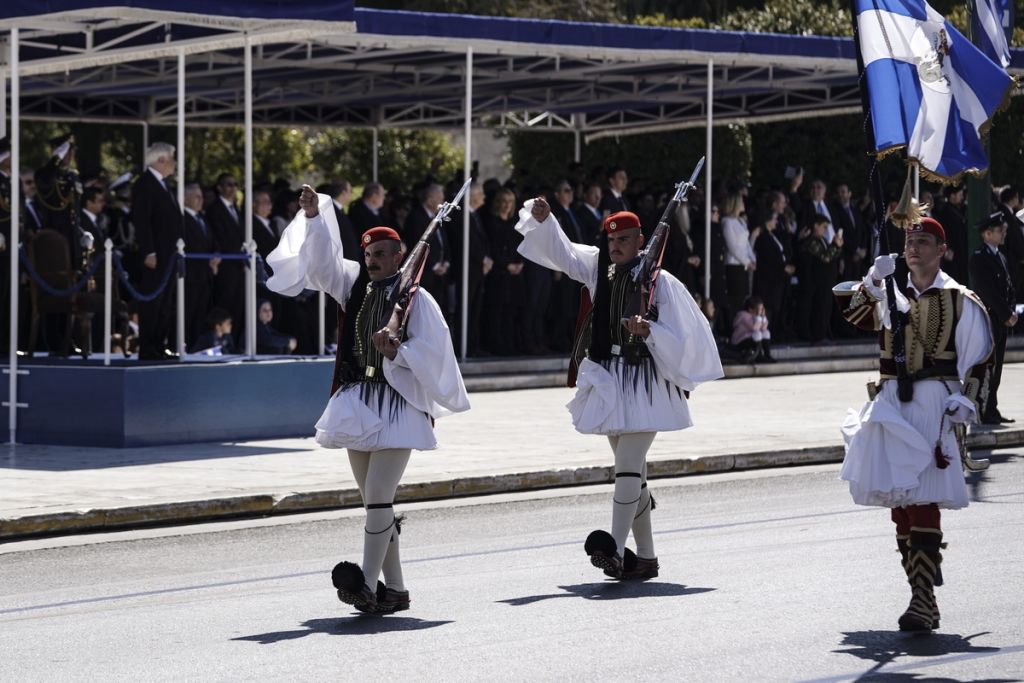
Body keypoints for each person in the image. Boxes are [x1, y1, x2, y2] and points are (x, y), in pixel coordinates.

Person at [266, 185, 469, 614]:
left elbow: (438, 354)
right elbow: (321, 262)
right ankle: (394, 588)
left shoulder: (418, 299)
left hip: (398, 406)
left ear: (400, 256)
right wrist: (317, 216)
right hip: (358, 402)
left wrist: (399, 351)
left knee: (378, 495)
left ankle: (368, 583)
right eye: (369, 254)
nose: (372, 260)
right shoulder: (353, 285)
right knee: (376, 503)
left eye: (381, 254)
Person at [516, 198, 723, 580]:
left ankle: (612, 545)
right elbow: (564, 252)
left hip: (646, 383)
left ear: (641, 240)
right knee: (633, 474)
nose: (615, 247)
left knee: (627, 465)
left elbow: (688, 333)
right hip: (610, 379)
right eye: (611, 241)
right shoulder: (599, 269)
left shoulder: (661, 282)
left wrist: (651, 331)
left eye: (624, 240)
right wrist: (545, 220)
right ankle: (645, 557)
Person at [835, 216, 992, 633]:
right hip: (891, 404)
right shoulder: (889, 292)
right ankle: (922, 584)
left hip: (932, 405)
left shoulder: (959, 298)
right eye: (909, 241)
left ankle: (923, 598)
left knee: (922, 497)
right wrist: (871, 280)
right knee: (900, 502)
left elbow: (980, 356)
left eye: (923, 242)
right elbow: (854, 316)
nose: (913, 248)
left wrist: (967, 399)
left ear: (942, 250)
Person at [130, 142, 182, 360]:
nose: (174, 163)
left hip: (168, 254)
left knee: (165, 303)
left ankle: (158, 345)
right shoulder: (145, 184)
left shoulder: (163, 184)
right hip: (157, 255)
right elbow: (142, 220)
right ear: (161, 160)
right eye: (172, 158)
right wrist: (149, 251)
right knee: (153, 302)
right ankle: (148, 346)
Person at [969, 213, 1018, 425]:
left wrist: (1010, 311)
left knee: (997, 366)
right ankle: (983, 408)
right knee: (988, 366)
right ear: (987, 234)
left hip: (1001, 320)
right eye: (999, 231)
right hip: (989, 318)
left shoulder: (1000, 255)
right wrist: (1006, 313)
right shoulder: (979, 257)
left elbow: (1008, 287)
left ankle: (992, 408)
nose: (1003, 234)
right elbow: (987, 291)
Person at [207, 173, 245, 343]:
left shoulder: (236, 209)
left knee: (237, 307)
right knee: (225, 306)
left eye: (234, 184)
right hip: (225, 267)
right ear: (220, 188)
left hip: (239, 266)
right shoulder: (214, 209)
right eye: (228, 185)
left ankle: (233, 342)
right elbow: (218, 237)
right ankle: (221, 342)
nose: (232, 188)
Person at [182, 183, 219, 348]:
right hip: (190, 276)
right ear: (185, 198)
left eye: (201, 196)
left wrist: (216, 255)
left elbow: (212, 242)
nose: (201, 200)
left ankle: (196, 347)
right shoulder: (181, 218)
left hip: (205, 277)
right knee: (188, 314)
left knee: (200, 316)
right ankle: (185, 346)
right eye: (197, 196)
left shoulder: (202, 218)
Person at [797, 214, 843, 342]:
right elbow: (825, 257)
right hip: (817, 282)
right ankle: (818, 335)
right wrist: (836, 246)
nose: (825, 230)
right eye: (823, 226)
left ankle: (823, 333)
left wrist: (837, 247)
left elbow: (832, 256)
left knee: (826, 308)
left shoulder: (822, 240)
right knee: (820, 309)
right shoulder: (811, 241)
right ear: (816, 226)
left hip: (827, 281)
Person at [731, 296, 773, 363]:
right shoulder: (743, 316)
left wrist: (763, 317)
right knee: (757, 334)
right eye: (759, 309)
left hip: (749, 339)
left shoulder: (756, 316)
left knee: (766, 332)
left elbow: (764, 328)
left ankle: (767, 354)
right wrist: (759, 316)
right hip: (740, 341)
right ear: (750, 309)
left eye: (762, 308)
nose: (761, 311)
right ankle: (759, 356)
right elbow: (754, 328)